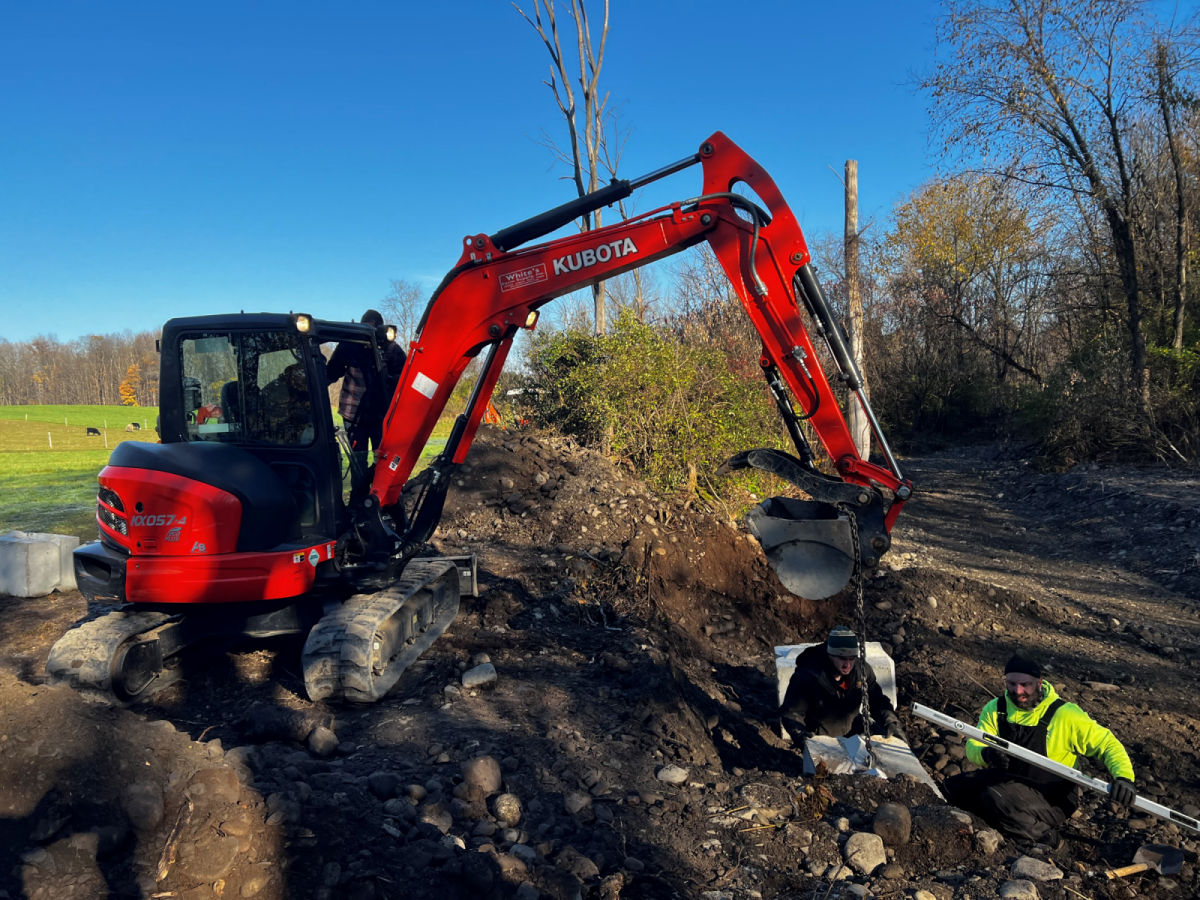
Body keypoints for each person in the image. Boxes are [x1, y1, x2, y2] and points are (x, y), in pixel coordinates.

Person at [942, 653, 1136, 846]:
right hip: (1008, 781)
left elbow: (1107, 744)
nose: (1018, 691)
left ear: (1039, 682)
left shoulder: (1065, 715)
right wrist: (987, 754)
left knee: (998, 798)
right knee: (952, 788)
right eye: (1011, 684)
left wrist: (1124, 777)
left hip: (1052, 796)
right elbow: (974, 744)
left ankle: (1050, 841)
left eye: (1025, 684)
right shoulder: (996, 709)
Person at [779, 625, 904, 743]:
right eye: (842, 658)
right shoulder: (808, 675)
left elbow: (877, 700)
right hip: (821, 738)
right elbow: (792, 712)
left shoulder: (861, 672)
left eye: (852, 658)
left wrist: (890, 721)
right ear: (830, 655)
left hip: (853, 732)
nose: (847, 664)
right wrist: (801, 735)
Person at [327, 309, 395, 459]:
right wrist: (309, 389)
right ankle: (360, 482)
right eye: (367, 327)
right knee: (358, 463)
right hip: (353, 414)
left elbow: (403, 375)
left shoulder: (389, 348)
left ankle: (377, 482)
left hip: (379, 415)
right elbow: (333, 371)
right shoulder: (350, 343)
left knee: (383, 461)